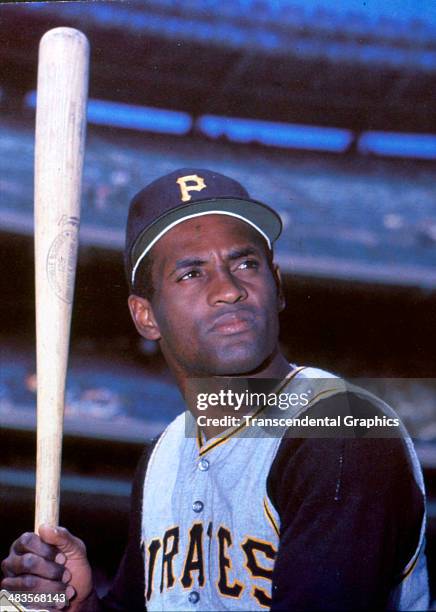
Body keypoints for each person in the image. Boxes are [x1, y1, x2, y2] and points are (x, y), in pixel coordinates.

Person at [1, 169, 429, 611]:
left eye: (246, 264)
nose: (229, 290)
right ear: (145, 316)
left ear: (276, 285)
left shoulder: (341, 430)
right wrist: (81, 604)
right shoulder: (163, 455)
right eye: (191, 274)